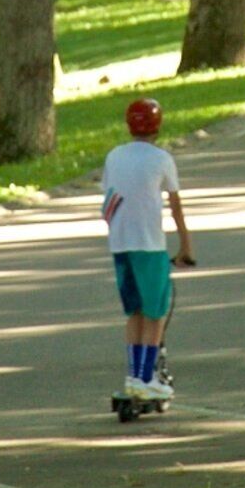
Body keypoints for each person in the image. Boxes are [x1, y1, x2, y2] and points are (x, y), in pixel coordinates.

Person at [99, 97, 195, 401]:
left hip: (120, 244)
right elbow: (176, 207)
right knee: (155, 313)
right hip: (150, 244)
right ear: (158, 125)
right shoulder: (161, 159)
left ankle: (133, 376)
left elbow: (109, 195)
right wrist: (185, 247)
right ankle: (145, 378)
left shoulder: (114, 156)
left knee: (135, 311)